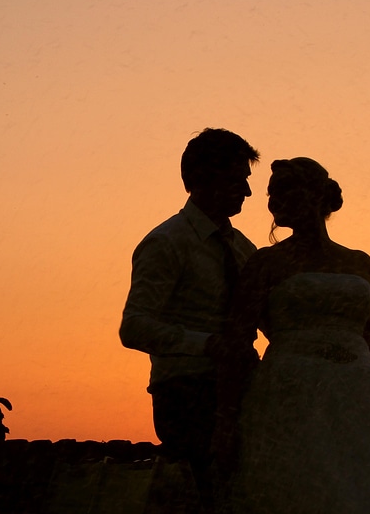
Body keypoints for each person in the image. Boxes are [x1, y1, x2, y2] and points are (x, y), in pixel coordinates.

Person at [216, 158, 370, 514]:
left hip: (359, 396)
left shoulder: (360, 263)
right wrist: (227, 416)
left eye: (289, 189)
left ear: (319, 195)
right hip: (290, 395)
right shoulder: (265, 263)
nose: (276, 200)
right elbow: (238, 338)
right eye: (273, 193)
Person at [120, 128, 260, 510]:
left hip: (241, 389)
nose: (247, 193)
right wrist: (209, 345)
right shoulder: (165, 243)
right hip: (187, 393)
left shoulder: (244, 248)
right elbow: (134, 326)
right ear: (203, 178)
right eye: (238, 180)